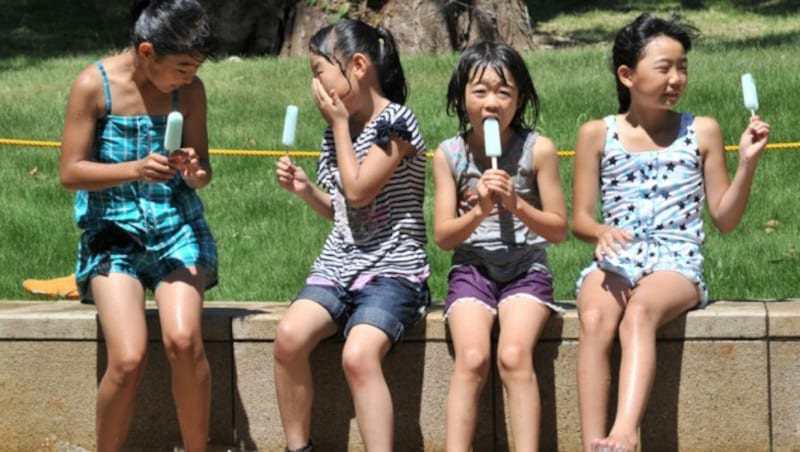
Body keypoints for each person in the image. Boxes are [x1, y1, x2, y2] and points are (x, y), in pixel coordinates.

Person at [572, 13, 770, 452]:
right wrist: (600, 232)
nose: (676, 78)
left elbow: (725, 218)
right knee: (594, 317)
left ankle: (624, 433)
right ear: (627, 75)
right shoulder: (596, 134)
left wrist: (747, 164)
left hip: (675, 262)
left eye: (682, 67)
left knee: (640, 312)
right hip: (617, 257)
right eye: (664, 68)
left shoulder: (702, 130)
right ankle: (592, 444)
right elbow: (580, 219)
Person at [59, 0, 217, 450]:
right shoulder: (94, 86)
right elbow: (71, 172)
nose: (189, 77)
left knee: (184, 341)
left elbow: (203, 169)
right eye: (182, 67)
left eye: (195, 68)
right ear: (147, 51)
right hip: (114, 236)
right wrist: (134, 169)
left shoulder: (190, 93)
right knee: (128, 358)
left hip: (176, 229)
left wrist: (193, 170)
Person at [273, 19, 430, 452]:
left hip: (394, 271)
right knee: (288, 338)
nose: (315, 83)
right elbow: (345, 211)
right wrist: (306, 191)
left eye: (319, 70)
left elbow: (360, 191)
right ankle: (297, 447)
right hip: (339, 265)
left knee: (357, 355)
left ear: (357, 65)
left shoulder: (396, 123)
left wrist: (341, 127)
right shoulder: (336, 131)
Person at [432, 41, 567, 452]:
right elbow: (443, 236)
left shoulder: (537, 150)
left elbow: (559, 229)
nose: (492, 103)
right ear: (460, 97)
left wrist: (515, 204)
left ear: (520, 98)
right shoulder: (448, 155)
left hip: (526, 271)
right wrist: (478, 212)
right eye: (480, 91)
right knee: (472, 359)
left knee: (512, 355)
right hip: (472, 271)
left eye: (504, 92)